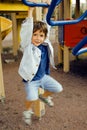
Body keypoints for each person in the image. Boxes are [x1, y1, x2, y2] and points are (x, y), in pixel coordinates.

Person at [18, 0, 63, 125]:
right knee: (32, 97)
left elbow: (47, 25)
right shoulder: (28, 45)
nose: (38, 38)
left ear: (44, 37)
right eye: (35, 35)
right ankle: (27, 111)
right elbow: (27, 30)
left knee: (58, 88)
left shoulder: (45, 43)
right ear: (31, 36)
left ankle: (44, 96)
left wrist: (47, 9)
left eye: (41, 35)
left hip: (43, 77)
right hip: (31, 79)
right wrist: (30, 9)